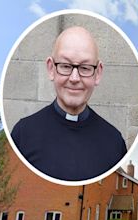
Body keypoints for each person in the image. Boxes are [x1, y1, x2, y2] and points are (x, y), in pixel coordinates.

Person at [11, 26, 127, 181]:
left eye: (85, 68)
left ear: (97, 73)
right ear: (51, 68)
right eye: (65, 66)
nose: (74, 78)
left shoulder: (114, 142)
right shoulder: (23, 134)